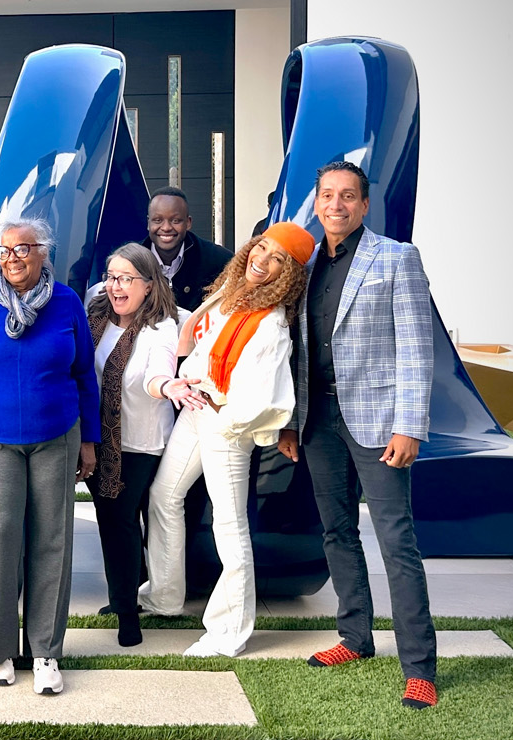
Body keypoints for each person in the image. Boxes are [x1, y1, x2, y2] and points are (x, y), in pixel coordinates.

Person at [277, 161, 439, 710]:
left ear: (364, 205)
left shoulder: (397, 258)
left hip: (378, 424)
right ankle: (355, 637)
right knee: (337, 532)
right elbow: (293, 348)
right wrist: (292, 423)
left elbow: (418, 349)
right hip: (318, 422)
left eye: (348, 196)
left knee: (397, 541)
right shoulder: (305, 264)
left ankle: (419, 666)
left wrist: (409, 426)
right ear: (316, 204)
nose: (337, 205)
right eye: (328, 196)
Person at [0, 217, 101, 695]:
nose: (12, 259)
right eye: (3, 251)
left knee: (53, 539)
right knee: (0, 538)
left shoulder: (67, 302)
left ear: (43, 253)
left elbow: (84, 376)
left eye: (23, 249)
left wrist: (89, 439)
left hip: (57, 435)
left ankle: (47, 652)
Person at [139, 222, 313, 658]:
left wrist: (227, 421)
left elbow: (264, 396)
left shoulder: (271, 323)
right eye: (263, 248)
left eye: (277, 259)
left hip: (226, 426)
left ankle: (228, 633)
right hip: (199, 410)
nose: (263, 259)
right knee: (163, 496)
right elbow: (202, 347)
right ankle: (164, 596)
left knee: (230, 527)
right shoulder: (231, 292)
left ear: (288, 274)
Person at [83, 243, 202, 647]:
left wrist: (168, 387)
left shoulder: (160, 328)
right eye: (111, 276)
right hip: (97, 439)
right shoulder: (94, 311)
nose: (115, 286)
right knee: (110, 521)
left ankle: (127, 613)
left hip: (140, 443)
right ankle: (124, 595)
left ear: (149, 286)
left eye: (126, 279)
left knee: (119, 521)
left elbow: (157, 372)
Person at [144, 187, 234, 311]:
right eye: (158, 220)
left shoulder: (219, 260)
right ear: (148, 223)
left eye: (175, 220)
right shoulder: (131, 263)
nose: (166, 227)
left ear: (188, 223)